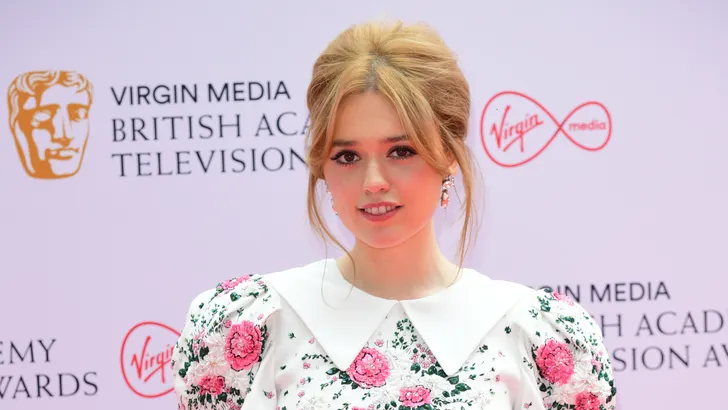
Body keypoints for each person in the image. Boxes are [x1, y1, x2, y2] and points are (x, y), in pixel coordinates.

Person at [171, 20, 617, 410]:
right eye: (347, 157)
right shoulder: (249, 327)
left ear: (448, 156)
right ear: (322, 167)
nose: (373, 182)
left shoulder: (538, 336)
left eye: (401, 151)